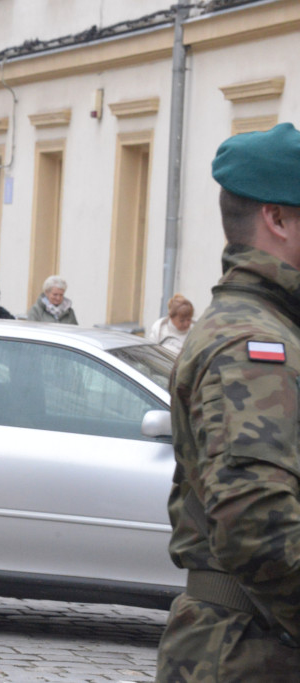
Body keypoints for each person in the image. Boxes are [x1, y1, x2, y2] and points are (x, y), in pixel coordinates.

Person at [155, 123, 300, 681]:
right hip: (250, 652)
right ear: (277, 219)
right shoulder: (253, 344)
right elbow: (258, 525)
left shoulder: (270, 327)